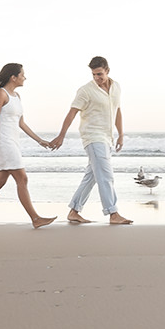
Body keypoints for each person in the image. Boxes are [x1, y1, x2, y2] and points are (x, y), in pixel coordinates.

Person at [0, 64, 57, 230]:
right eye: (22, 75)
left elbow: (21, 123)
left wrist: (40, 140)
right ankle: (35, 218)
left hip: (13, 142)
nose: (25, 77)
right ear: (13, 77)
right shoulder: (0, 95)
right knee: (22, 178)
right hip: (4, 143)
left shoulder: (16, 96)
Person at [50, 55, 132, 225]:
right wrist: (61, 135)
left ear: (107, 71)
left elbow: (117, 111)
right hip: (93, 137)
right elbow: (71, 113)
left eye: (100, 74)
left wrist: (121, 134)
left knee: (92, 176)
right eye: (94, 74)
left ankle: (74, 210)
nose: (97, 78)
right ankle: (113, 213)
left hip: (107, 138)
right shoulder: (85, 90)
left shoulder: (116, 87)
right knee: (106, 175)